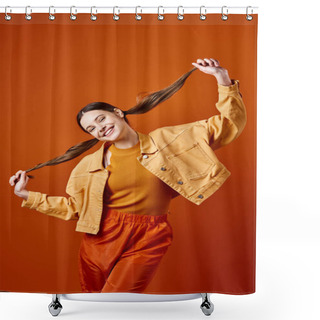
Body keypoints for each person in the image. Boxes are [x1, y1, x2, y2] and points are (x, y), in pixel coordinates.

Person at [9, 58, 247, 293]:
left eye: (101, 118)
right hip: (99, 239)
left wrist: (222, 79)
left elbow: (230, 124)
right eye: (91, 128)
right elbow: (76, 208)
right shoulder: (89, 165)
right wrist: (26, 195)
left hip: (150, 235)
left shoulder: (168, 140)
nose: (99, 128)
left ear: (117, 113)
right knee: (96, 303)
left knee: (116, 299)